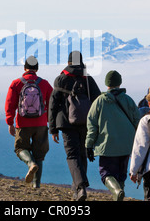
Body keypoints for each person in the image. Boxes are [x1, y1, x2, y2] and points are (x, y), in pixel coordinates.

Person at [48, 51, 101, 201]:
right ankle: (78, 188)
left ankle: (80, 187)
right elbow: (98, 101)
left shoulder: (61, 79)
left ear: (69, 62)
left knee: (72, 155)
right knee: (82, 154)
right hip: (86, 122)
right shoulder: (88, 80)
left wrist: (52, 128)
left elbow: (53, 105)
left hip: (65, 123)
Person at [85, 70, 140, 201]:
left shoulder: (99, 102)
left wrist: (89, 145)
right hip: (127, 146)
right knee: (121, 175)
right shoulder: (128, 100)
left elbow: (92, 126)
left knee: (106, 173)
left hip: (107, 146)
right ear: (119, 83)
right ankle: (119, 195)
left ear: (106, 83)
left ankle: (116, 191)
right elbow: (138, 123)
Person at [5, 56, 53, 188]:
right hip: (41, 123)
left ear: (24, 68)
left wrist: (10, 122)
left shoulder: (16, 83)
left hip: (23, 123)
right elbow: (52, 104)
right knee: (39, 154)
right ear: (37, 69)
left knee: (20, 148)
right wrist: (48, 120)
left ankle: (31, 164)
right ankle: (36, 185)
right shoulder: (45, 84)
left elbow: (10, 104)